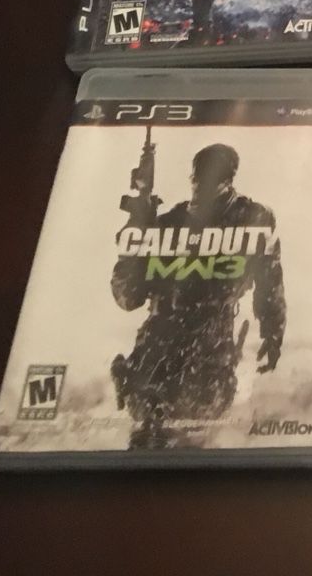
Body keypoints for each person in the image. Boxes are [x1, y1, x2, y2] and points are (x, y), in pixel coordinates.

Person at [110, 143, 285, 448]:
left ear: (227, 181)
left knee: (194, 444)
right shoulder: (167, 224)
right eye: (196, 180)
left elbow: (270, 282)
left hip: (208, 356)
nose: (198, 190)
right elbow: (127, 298)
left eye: (209, 182)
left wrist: (272, 334)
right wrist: (138, 223)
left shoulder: (252, 218)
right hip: (155, 355)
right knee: (145, 447)